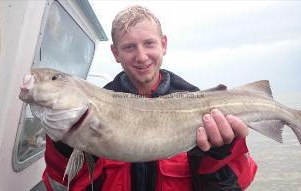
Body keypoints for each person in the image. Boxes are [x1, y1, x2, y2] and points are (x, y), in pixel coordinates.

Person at [42, 5, 257, 191]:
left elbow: (237, 184)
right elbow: (67, 186)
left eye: (149, 43)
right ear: (115, 53)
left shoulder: (201, 107)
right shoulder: (89, 112)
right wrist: (64, 149)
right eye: (129, 47)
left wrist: (219, 156)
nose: (141, 56)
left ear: (164, 44)